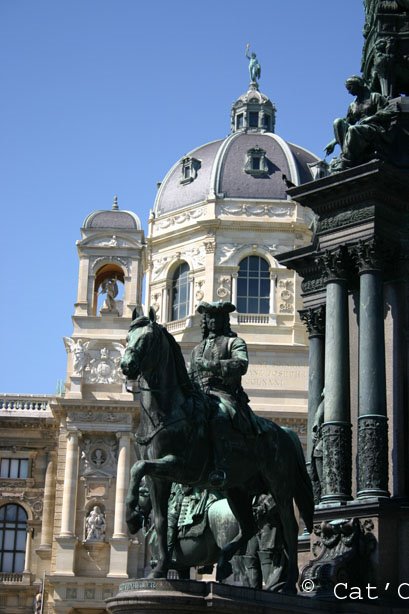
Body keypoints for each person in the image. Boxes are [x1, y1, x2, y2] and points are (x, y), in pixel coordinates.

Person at [190, 301, 264, 488]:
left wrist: (211, 365)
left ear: (225, 320)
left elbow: (241, 364)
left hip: (224, 393)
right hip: (200, 395)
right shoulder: (197, 349)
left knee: (220, 414)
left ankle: (220, 467)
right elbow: (191, 377)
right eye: (210, 317)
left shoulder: (234, 342)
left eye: (218, 317)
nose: (213, 321)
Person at [324, 75, 391, 171]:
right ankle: (349, 155)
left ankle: (346, 161)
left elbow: (387, 112)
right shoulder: (352, 105)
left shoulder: (375, 97)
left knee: (353, 129)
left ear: (358, 84)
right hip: (360, 129)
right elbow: (346, 123)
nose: (349, 92)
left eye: (350, 88)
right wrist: (333, 142)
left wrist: (371, 118)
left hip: (375, 128)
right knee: (338, 122)